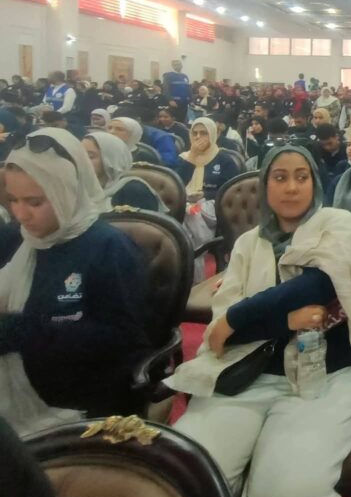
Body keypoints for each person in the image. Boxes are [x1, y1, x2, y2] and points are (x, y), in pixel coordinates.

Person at [167, 146, 351, 497]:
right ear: (265, 186)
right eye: (280, 178)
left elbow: (321, 284)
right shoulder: (248, 244)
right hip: (250, 371)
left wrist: (238, 318)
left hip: (325, 379)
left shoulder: (338, 225)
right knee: (189, 474)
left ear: (315, 183)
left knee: (285, 492)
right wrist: (285, 320)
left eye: (302, 177)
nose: (291, 188)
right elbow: (224, 332)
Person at [0, 129, 148, 435]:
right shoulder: (18, 241)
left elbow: (124, 341)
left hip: (78, 400)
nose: (21, 214)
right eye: (13, 200)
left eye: (35, 202)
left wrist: (21, 331)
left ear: (66, 192)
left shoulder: (109, 248)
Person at [83, 131, 166, 213]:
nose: (82, 161)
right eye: (80, 155)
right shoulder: (82, 185)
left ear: (111, 159)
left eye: (90, 156)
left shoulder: (133, 191)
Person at [176, 117, 241, 202]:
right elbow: (176, 186)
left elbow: (232, 190)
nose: (198, 137)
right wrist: (192, 156)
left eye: (203, 133)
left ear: (212, 135)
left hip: (214, 205)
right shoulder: (184, 157)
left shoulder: (224, 160)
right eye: (194, 133)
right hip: (183, 203)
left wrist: (205, 195)